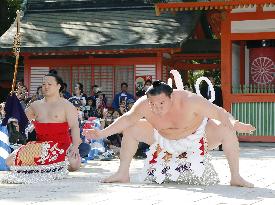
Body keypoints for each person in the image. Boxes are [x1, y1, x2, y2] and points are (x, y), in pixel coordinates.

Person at [83, 80, 255, 187]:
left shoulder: (190, 100)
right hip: (163, 139)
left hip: (197, 137)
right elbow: (127, 119)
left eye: (161, 103)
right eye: (153, 104)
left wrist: (234, 123)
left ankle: (236, 177)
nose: (156, 108)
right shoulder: (144, 104)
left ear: (171, 98)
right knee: (131, 128)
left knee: (226, 129)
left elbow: (219, 113)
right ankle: (122, 173)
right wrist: (101, 133)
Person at [4, 72, 81, 183]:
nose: (46, 87)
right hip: (40, 146)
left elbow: (74, 127)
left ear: (59, 86)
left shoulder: (67, 105)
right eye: (44, 84)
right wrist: (12, 106)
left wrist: (75, 146)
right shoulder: (35, 105)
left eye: (49, 84)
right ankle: (45, 165)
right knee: (9, 161)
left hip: (62, 145)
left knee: (73, 164)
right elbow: (20, 122)